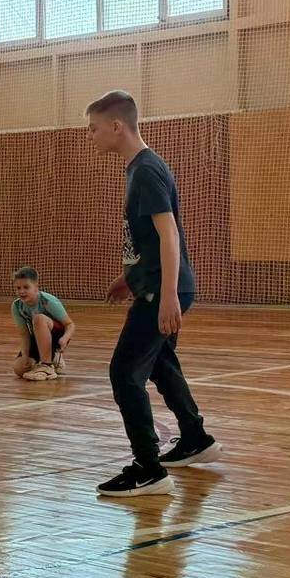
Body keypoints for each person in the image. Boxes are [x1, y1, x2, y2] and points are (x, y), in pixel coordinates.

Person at [85, 90, 221, 497]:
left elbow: (169, 234)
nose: (90, 136)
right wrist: (129, 277)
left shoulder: (145, 170)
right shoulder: (138, 168)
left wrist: (167, 296)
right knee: (160, 363)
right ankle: (195, 437)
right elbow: (148, 239)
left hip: (163, 291)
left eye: (93, 128)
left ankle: (148, 468)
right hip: (156, 284)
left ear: (116, 126)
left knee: (124, 373)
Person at [11, 266, 75, 381]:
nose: (21, 291)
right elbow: (24, 334)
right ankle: (52, 360)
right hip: (37, 336)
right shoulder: (17, 306)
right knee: (19, 368)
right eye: (18, 288)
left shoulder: (47, 301)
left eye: (26, 287)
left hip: (57, 336)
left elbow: (70, 324)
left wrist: (65, 339)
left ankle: (47, 365)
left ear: (36, 287)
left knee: (38, 318)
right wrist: (25, 357)